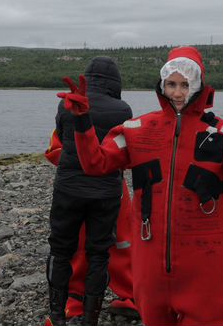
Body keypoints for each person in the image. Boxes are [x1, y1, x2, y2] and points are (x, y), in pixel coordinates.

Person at [57, 46, 223, 326]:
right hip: (150, 264)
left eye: (186, 85)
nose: (179, 93)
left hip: (205, 263)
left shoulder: (222, 135)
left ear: (199, 87)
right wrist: (83, 122)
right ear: (162, 86)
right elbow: (96, 164)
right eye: (171, 84)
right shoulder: (136, 130)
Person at [47, 56, 133, 326]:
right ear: (115, 83)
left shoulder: (66, 103)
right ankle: (90, 319)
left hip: (69, 188)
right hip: (106, 191)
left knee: (61, 251)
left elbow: (60, 137)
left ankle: (58, 315)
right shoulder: (123, 110)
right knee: (100, 254)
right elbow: (124, 148)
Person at [44, 130, 138, 321]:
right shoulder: (120, 112)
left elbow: (55, 150)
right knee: (117, 241)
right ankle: (129, 295)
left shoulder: (69, 112)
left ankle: (77, 299)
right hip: (111, 186)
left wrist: (79, 162)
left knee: (84, 243)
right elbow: (132, 151)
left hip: (77, 186)